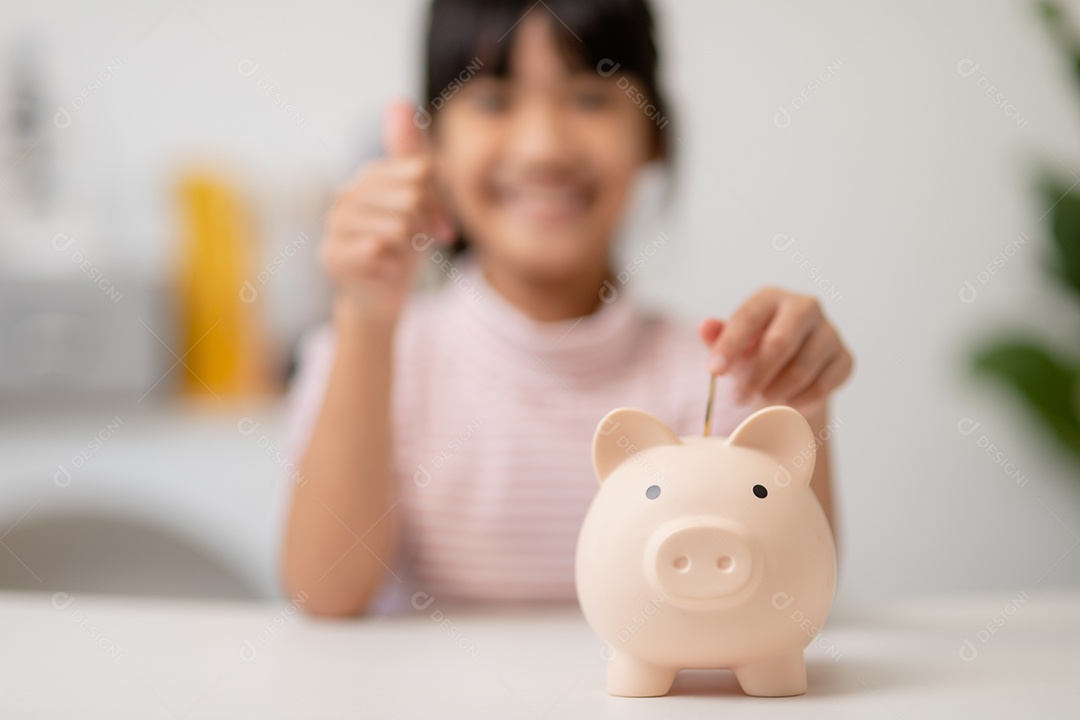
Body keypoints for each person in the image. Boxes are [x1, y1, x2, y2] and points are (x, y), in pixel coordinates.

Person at [280, 0, 854, 617]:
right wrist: (366, 315)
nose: (543, 148)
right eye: (494, 100)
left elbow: (791, 602)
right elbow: (325, 594)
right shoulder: (369, 356)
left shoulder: (724, 371)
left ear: (654, 134)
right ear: (429, 142)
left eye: (588, 98)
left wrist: (798, 397)